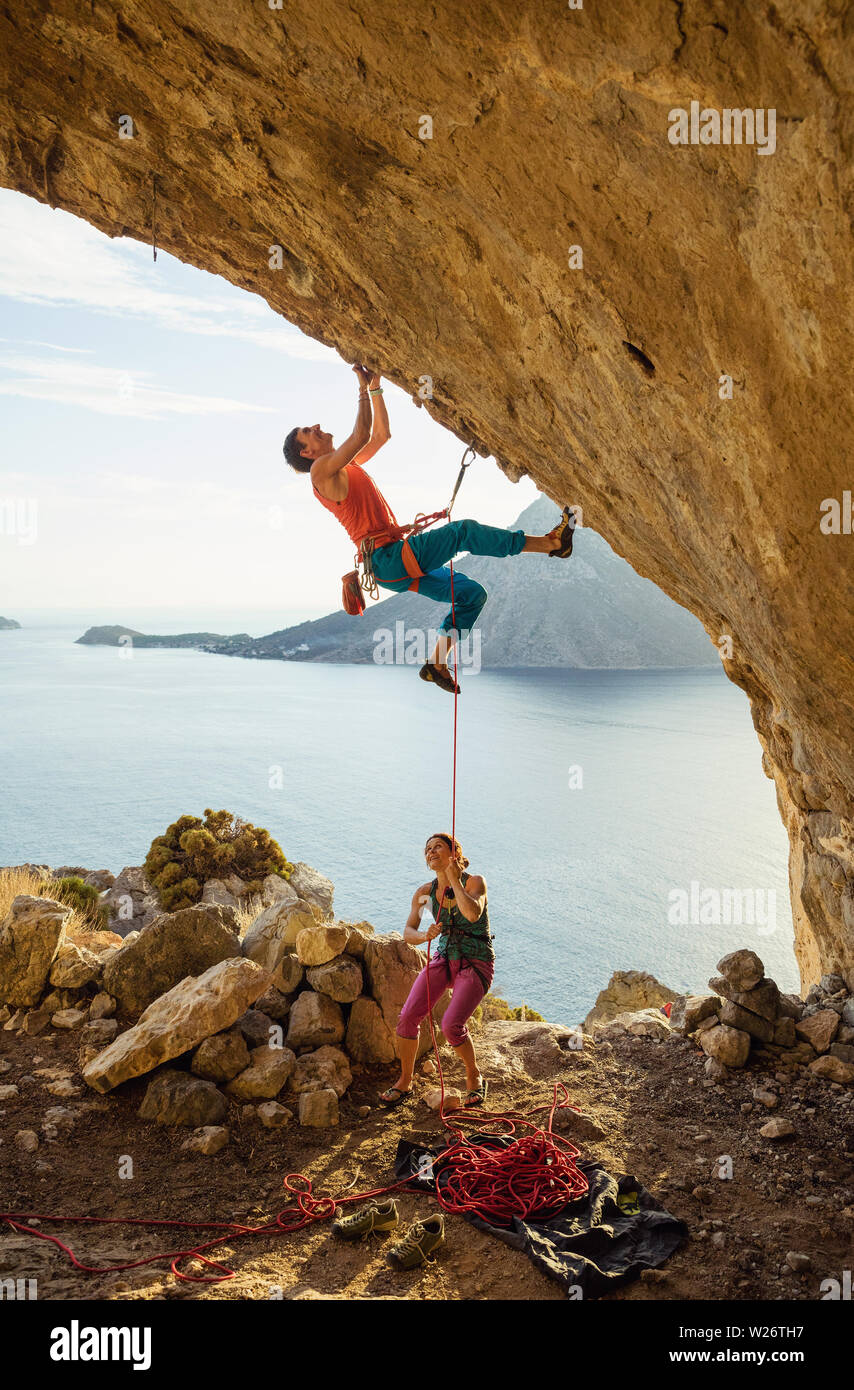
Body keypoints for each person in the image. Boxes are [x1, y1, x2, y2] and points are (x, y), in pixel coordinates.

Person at [283, 364, 575, 693]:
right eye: (309, 431)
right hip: (388, 559)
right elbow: (362, 435)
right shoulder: (320, 471)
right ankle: (552, 544)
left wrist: (376, 389)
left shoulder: (343, 467)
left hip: (390, 561)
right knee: (462, 532)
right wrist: (362, 388)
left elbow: (379, 437)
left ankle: (436, 663)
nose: (318, 426)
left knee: (471, 596)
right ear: (307, 453)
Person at [378, 832, 494, 1108]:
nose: (430, 852)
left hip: (476, 961)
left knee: (451, 1026)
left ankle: (474, 1076)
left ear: (454, 853)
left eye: (438, 847)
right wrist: (425, 937)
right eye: (427, 849)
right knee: (407, 1018)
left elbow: (472, 914)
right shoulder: (424, 893)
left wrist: (453, 877)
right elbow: (409, 931)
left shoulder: (475, 882)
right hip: (444, 958)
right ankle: (405, 1082)